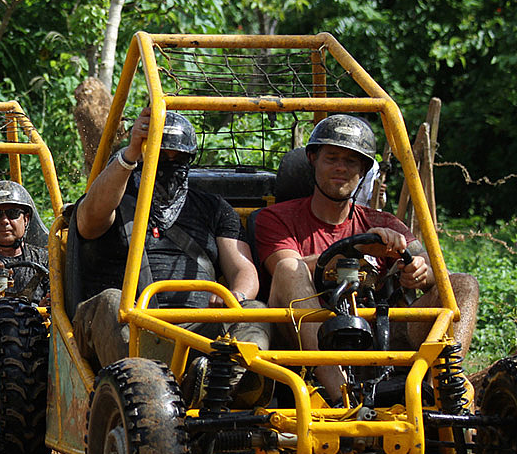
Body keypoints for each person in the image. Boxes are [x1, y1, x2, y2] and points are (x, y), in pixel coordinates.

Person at [254, 113, 479, 397]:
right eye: (332, 158)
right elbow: (283, 267)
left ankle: (444, 394)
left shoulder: (381, 222)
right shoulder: (276, 217)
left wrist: (419, 270)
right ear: (313, 160)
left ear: (363, 171)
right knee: (290, 269)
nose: (341, 168)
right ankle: (341, 399)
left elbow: (436, 272)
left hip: (378, 332)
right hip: (306, 333)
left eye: (350, 162)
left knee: (463, 285)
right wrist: (356, 248)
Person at [70, 107, 270, 388]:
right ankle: (147, 390)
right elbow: (89, 221)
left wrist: (236, 295)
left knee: (254, 310)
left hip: (197, 328)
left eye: (178, 157)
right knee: (112, 301)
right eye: (160, 155)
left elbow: (243, 268)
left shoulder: (213, 208)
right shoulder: (115, 195)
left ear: (190, 159)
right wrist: (129, 154)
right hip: (128, 323)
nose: (168, 163)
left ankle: (222, 387)